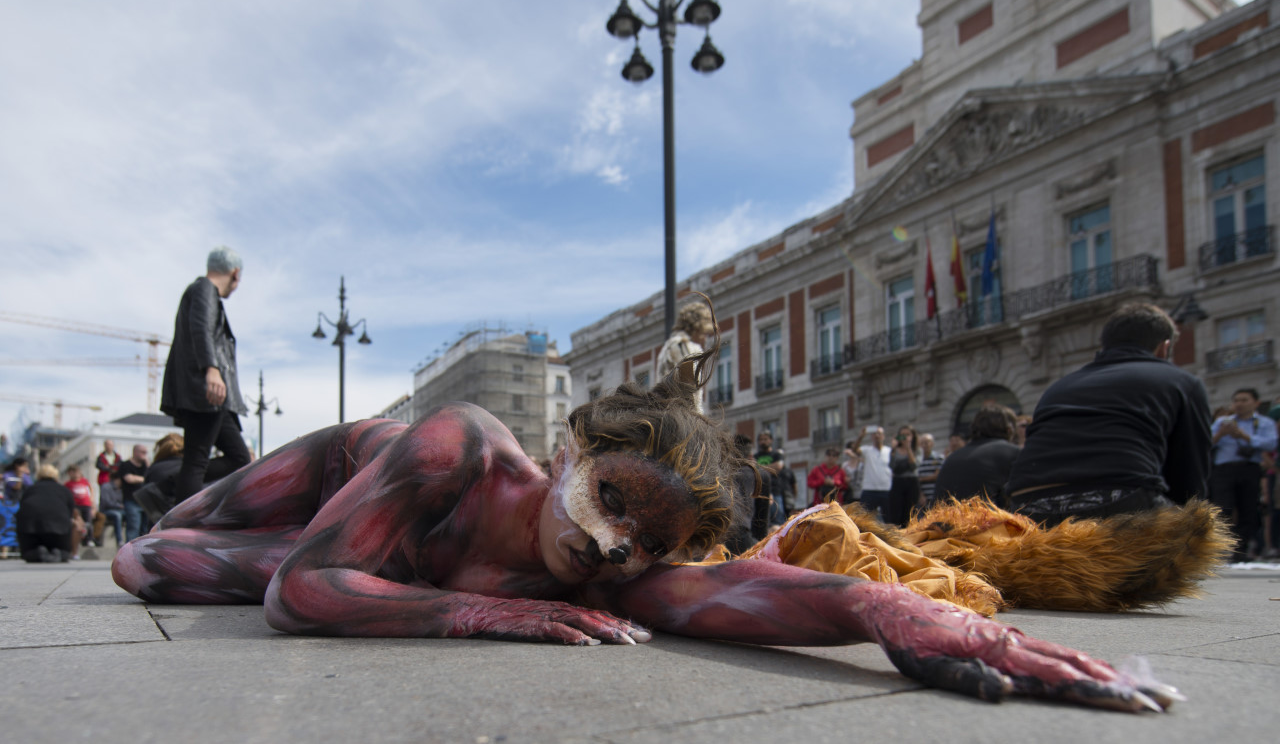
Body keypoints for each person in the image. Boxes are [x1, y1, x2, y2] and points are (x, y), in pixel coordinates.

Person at [112, 341, 1171, 713]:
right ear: (571, 448)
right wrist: (483, 610)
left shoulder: (609, 570)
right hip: (348, 476)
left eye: (643, 541)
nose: (613, 544)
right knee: (168, 538)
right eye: (610, 497)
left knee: (148, 565)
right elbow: (300, 591)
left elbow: (715, 594)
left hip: (369, 558)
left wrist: (892, 609)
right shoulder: (460, 443)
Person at [1006, 303, 1212, 525]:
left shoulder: (1059, 386)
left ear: (1105, 345)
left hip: (1028, 506)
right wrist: (1192, 526)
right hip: (1121, 499)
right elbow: (1189, 473)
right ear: (1164, 348)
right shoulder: (1182, 382)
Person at [161, 246, 252, 505]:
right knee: (197, 459)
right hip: (206, 390)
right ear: (235, 273)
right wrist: (211, 370)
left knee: (239, 459)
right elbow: (201, 330)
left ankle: (168, 486)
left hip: (208, 393)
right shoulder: (205, 290)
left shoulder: (200, 291)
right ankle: (180, 525)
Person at [1209, 388, 1279, 562]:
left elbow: (1271, 444)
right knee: (1222, 508)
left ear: (1256, 403)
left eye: (1244, 400)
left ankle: (1241, 550)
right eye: (1237, 400)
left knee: (1248, 509)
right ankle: (1219, 548)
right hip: (1223, 470)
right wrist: (1220, 434)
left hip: (1250, 468)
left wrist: (1245, 436)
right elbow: (1204, 443)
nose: (1239, 404)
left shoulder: (1264, 423)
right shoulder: (1222, 422)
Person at [935, 406, 1020, 508]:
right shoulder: (1012, 452)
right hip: (984, 521)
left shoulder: (953, 457)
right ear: (1009, 430)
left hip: (942, 520)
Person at [656, 300, 714, 414]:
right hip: (681, 416)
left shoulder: (669, 346)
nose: (704, 338)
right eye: (704, 333)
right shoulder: (683, 346)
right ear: (697, 327)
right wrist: (697, 418)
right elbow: (687, 388)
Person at [16, 464, 77, 563]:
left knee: (28, 553)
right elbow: (70, 513)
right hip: (58, 530)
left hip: (31, 529)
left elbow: (22, 507)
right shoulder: (64, 490)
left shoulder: (30, 490)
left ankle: (37, 552)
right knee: (64, 553)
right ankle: (59, 552)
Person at [887, 425, 920, 525]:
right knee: (896, 513)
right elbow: (892, 466)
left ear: (913, 436)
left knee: (910, 512)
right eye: (902, 435)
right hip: (898, 482)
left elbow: (913, 466)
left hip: (912, 482)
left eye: (907, 435)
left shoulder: (917, 450)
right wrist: (893, 449)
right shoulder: (894, 451)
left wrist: (908, 448)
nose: (905, 438)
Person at [117, 445, 150, 542]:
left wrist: (147, 464)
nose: (145, 455)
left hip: (145, 501)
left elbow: (151, 476)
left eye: (146, 453)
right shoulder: (125, 465)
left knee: (145, 529)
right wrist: (143, 479)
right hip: (132, 501)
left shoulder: (145, 466)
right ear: (135, 452)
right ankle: (130, 553)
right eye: (142, 452)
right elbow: (129, 479)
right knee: (133, 527)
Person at [857, 426, 892, 519]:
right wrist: (860, 437)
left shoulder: (889, 451)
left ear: (883, 436)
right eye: (874, 434)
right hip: (869, 490)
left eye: (879, 433)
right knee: (864, 519)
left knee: (890, 519)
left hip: (886, 490)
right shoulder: (866, 450)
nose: (877, 436)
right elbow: (855, 450)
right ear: (871, 437)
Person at [753, 432, 788, 526]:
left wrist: (760, 467)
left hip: (775, 491)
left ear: (771, 440)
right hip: (760, 492)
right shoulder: (755, 456)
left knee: (779, 519)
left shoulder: (776, 454)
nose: (763, 441)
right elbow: (753, 469)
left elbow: (779, 466)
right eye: (761, 440)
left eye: (765, 439)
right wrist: (770, 467)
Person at [64, 465, 95, 547]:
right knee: (77, 523)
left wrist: (91, 500)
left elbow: (90, 489)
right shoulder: (68, 484)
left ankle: (89, 539)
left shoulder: (84, 481)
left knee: (88, 523)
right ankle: (77, 540)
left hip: (86, 504)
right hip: (75, 506)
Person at [915, 433, 944, 507]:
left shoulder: (939, 458)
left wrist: (921, 479)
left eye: (927, 442)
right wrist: (920, 495)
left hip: (936, 495)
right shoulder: (917, 460)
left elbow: (938, 475)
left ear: (932, 443)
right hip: (921, 498)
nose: (925, 445)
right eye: (922, 443)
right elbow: (915, 479)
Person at [99, 477, 125, 548]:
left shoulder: (121, 488)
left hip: (120, 510)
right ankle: (120, 540)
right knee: (117, 515)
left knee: (131, 514)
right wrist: (119, 505)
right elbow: (106, 502)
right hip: (107, 510)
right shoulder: (106, 487)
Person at [840, 439, 864, 505]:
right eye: (851, 448)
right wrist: (845, 480)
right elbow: (841, 478)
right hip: (849, 494)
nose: (853, 451)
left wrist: (854, 456)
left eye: (855, 449)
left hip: (862, 494)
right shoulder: (845, 465)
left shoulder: (862, 463)